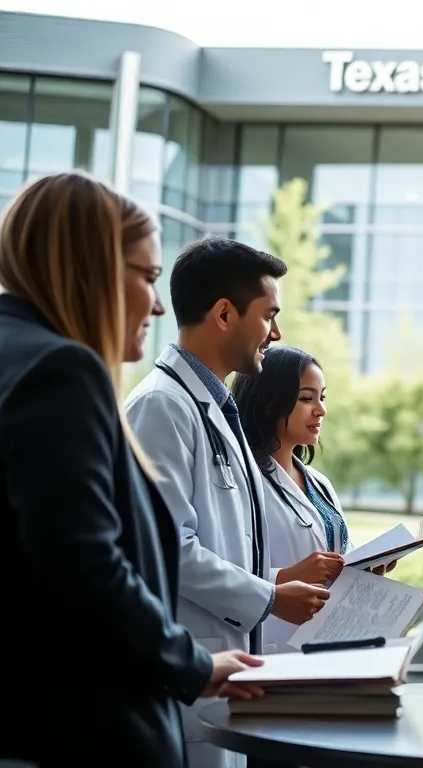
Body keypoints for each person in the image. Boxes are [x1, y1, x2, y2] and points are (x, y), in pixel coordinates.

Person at [0, 172, 264, 767]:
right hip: (81, 733)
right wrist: (192, 664)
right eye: (146, 277)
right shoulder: (61, 372)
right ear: (89, 267)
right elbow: (85, 567)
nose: (159, 303)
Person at [125, 238, 330, 768]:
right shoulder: (160, 407)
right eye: (269, 317)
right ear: (223, 314)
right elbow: (169, 549)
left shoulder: (213, 408)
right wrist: (268, 596)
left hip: (226, 678)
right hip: (191, 685)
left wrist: (275, 585)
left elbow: (227, 544)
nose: (277, 334)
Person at [232, 345, 382, 654]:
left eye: (322, 397)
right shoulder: (240, 481)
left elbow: (338, 555)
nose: (321, 410)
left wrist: (366, 566)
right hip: (273, 644)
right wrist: (287, 576)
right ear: (269, 403)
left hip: (328, 642)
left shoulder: (319, 484)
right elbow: (224, 568)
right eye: (306, 398)